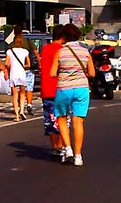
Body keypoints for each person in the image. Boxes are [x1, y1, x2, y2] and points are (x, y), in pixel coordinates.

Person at [49, 23, 94, 167]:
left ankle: (67, 148)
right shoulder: (85, 52)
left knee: (61, 118)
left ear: (64, 38)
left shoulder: (60, 52)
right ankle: (78, 156)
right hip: (81, 89)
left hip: (64, 88)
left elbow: (52, 73)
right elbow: (92, 73)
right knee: (78, 122)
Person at [40, 25, 68, 157]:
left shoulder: (45, 49)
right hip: (61, 88)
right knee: (63, 118)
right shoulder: (63, 50)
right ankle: (61, 144)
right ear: (63, 38)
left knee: (50, 119)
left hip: (47, 89)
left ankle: (54, 146)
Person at [5, 36, 31, 121]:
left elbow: (6, 64)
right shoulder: (25, 51)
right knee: (23, 93)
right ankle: (22, 111)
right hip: (22, 74)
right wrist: (23, 66)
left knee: (15, 95)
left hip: (13, 74)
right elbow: (29, 65)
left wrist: (9, 68)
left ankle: (16, 116)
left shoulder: (10, 51)